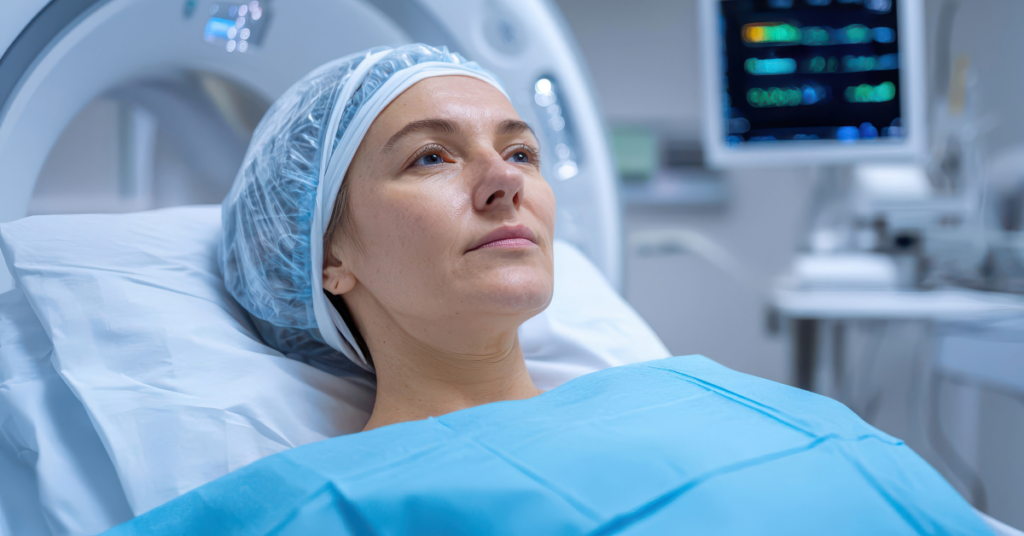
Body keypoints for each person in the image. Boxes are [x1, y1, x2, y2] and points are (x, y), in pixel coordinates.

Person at [220, 44, 551, 431]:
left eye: (520, 155)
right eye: (431, 157)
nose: (508, 178)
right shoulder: (316, 475)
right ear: (329, 257)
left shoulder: (620, 399)